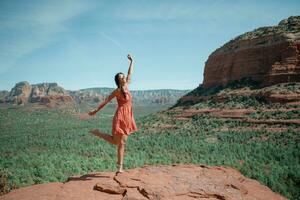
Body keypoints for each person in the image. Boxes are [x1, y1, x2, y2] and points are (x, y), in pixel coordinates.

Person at [88, 54, 138, 173]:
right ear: (118, 80)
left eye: (123, 76)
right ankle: (120, 167)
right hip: (120, 117)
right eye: (121, 77)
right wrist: (95, 111)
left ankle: (98, 133)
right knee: (121, 143)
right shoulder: (117, 91)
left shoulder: (127, 85)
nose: (124, 78)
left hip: (128, 117)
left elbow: (130, 73)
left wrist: (132, 61)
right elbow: (106, 101)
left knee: (118, 142)